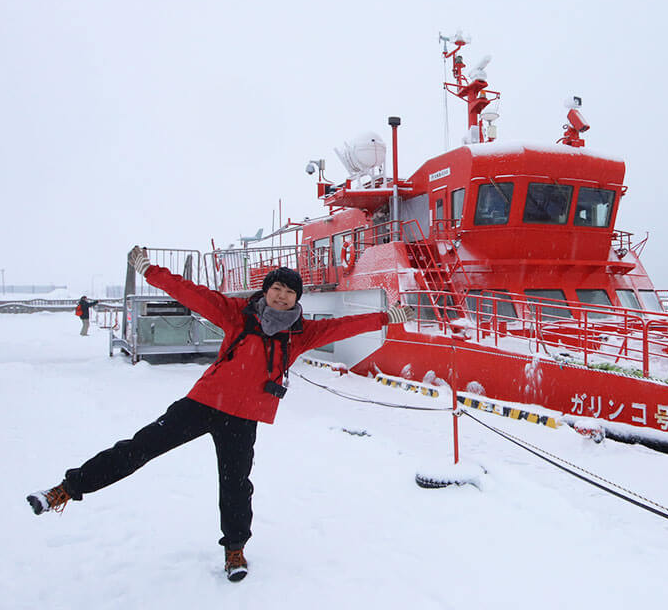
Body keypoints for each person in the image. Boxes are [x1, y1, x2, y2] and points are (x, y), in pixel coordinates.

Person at [28, 246, 415, 582]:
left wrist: (386, 317)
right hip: (202, 404)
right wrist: (150, 271)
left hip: (242, 419)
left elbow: (345, 326)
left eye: (289, 291)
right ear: (266, 290)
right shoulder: (238, 314)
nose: (281, 296)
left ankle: (235, 550)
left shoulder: (302, 333)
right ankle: (67, 489)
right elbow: (191, 294)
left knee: (235, 486)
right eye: (276, 288)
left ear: (297, 299)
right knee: (139, 447)